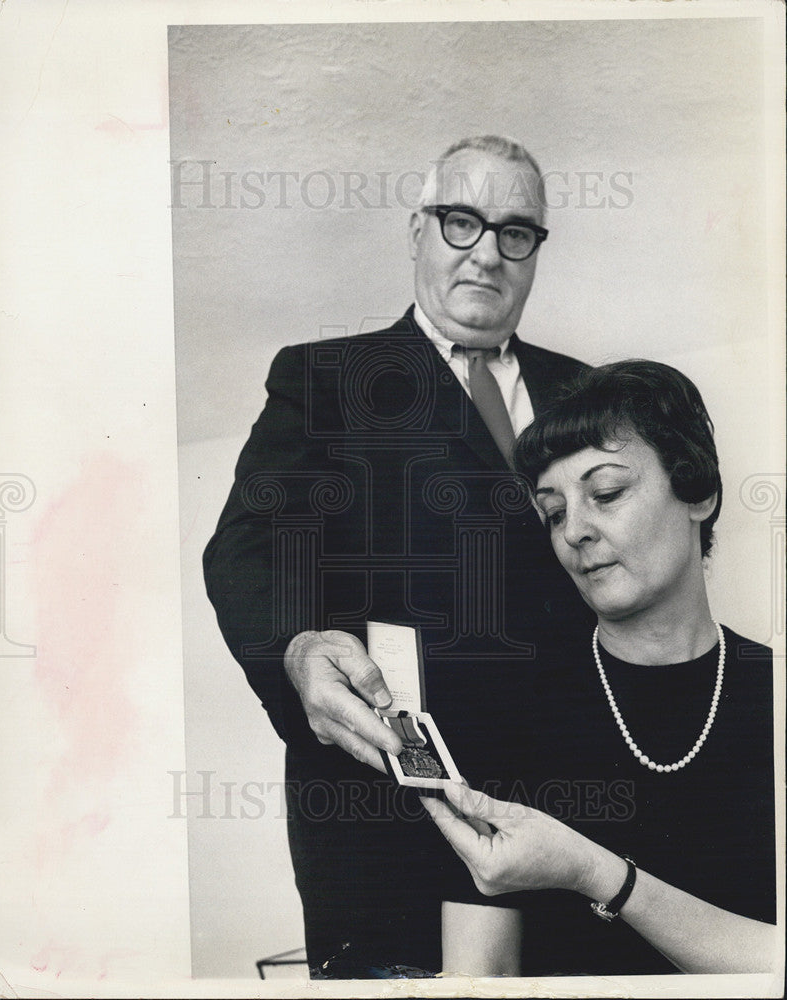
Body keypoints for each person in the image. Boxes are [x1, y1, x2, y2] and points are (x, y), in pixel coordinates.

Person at [203, 135, 594, 975]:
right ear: (417, 231)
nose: (487, 253)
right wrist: (295, 650)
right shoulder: (326, 381)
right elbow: (246, 548)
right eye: (462, 222)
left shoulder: (592, 394)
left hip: (583, 812)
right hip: (388, 825)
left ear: (535, 253)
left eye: (515, 232)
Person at [423, 360, 777, 976]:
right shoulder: (504, 716)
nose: (575, 532)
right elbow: (477, 980)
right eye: (554, 512)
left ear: (698, 493)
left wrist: (594, 871)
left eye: (606, 494)